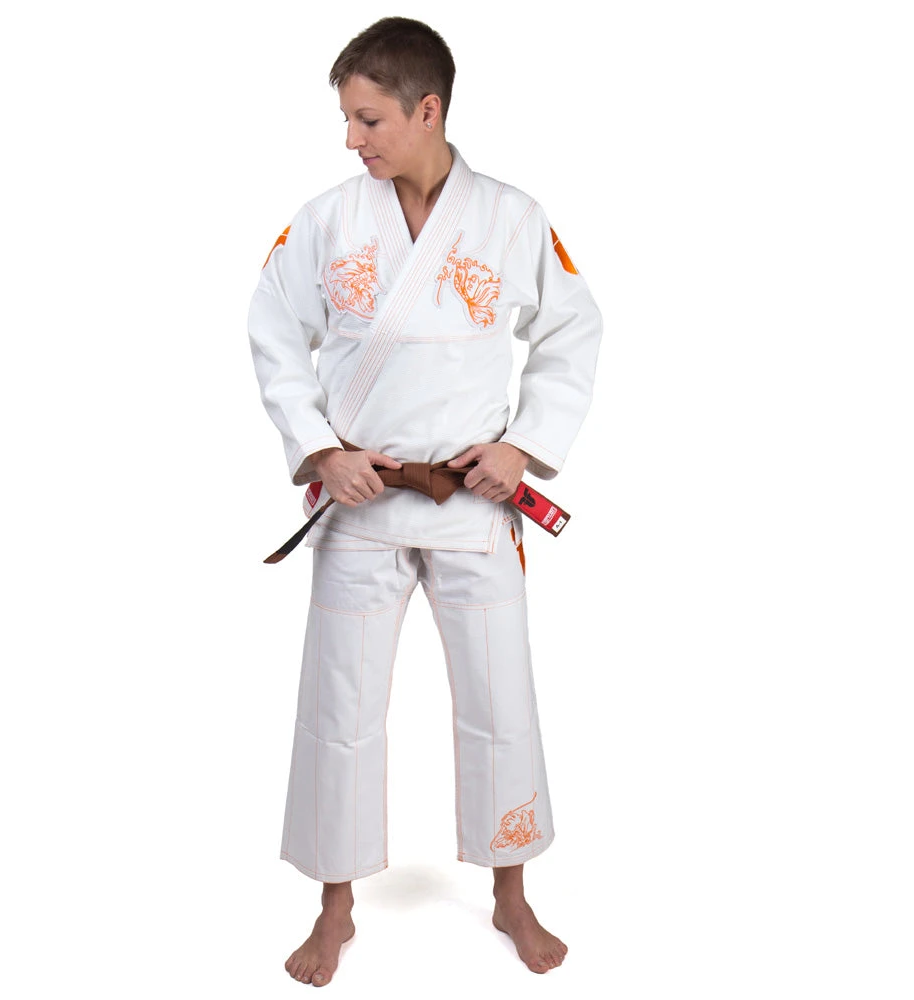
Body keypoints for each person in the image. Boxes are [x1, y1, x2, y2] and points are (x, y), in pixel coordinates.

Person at [247, 16, 603, 986]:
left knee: (500, 698)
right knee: (339, 704)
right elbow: (273, 330)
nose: (350, 139)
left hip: (472, 501)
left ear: (427, 110)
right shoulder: (326, 219)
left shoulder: (512, 217)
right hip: (359, 498)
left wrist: (523, 446)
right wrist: (321, 449)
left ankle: (510, 891)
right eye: (346, 119)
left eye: (367, 120)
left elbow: (573, 329)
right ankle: (334, 907)